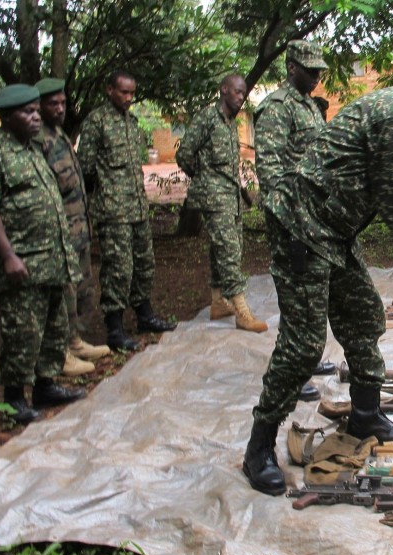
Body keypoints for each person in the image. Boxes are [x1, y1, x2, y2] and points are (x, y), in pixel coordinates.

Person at [243, 59, 393, 496]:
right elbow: (390, 199)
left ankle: (367, 416)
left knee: (364, 317)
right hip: (302, 226)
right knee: (304, 344)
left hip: (334, 231)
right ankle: (258, 447)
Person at [0, 84, 87, 424]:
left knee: (54, 326)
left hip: (51, 259)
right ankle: (14, 399)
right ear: (6, 117)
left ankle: (45, 386)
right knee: (22, 332)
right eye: (27, 112)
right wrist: (8, 256)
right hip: (21, 261)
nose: (36, 117)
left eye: (37, 110)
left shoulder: (33, 150)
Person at [253, 40, 336, 403]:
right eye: (311, 70)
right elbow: (270, 175)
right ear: (291, 68)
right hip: (293, 221)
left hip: (315, 218)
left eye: (320, 70)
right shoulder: (276, 108)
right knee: (295, 296)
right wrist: (292, 225)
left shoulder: (309, 107)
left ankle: (304, 358)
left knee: (310, 296)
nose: (317, 76)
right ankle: (290, 371)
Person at [78, 70, 176, 351]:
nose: (129, 98)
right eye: (124, 92)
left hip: (137, 207)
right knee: (118, 269)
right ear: (109, 90)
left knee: (144, 263)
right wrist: (107, 192)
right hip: (113, 211)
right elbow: (85, 166)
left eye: (132, 93)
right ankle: (115, 328)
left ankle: (144, 315)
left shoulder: (132, 123)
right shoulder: (96, 122)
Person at [175, 74, 267, 332]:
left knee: (224, 249)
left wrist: (243, 192)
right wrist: (203, 178)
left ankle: (218, 303)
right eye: (237, 92)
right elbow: (184, 154)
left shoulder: (229, 123)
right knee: (228, 251)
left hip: (230, 197)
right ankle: (241, 312)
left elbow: (228, 166)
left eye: (243, 93)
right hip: (214, 199)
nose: (241, 97)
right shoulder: (207, 118)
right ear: (224, 90)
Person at [35, 78, 111, 376]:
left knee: (81, 288)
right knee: (63, 294)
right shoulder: (37, 139)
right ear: (39, 106)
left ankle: (76, 340)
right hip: (59, 232)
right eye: (53, 103)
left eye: (63, 102)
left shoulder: (60, 135)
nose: (60, 108)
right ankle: (61, 352)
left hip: (78, 228)